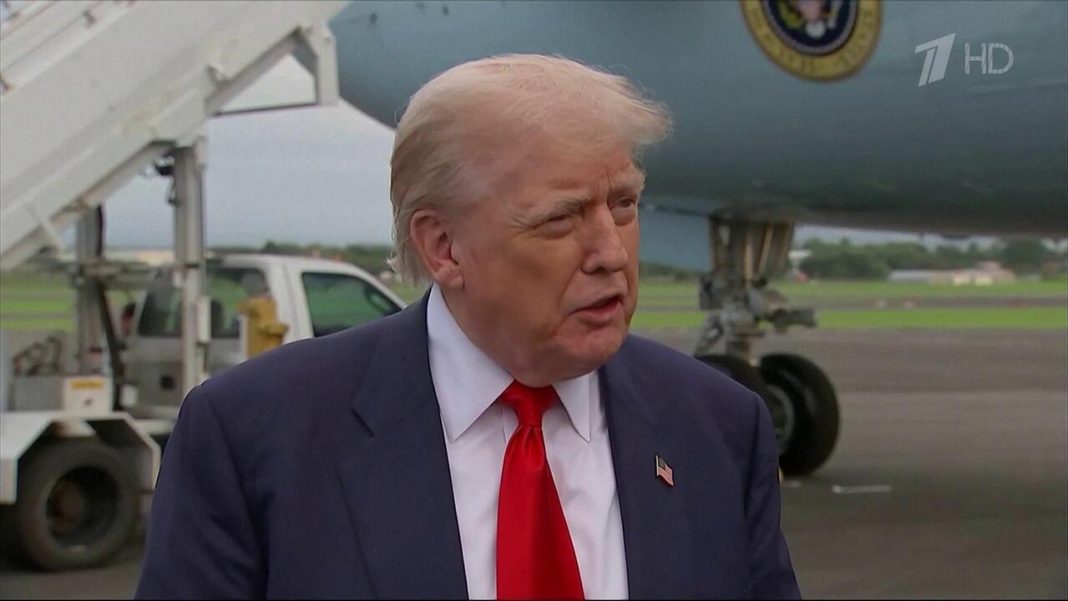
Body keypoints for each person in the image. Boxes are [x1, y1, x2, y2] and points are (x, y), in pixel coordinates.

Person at [136, 54, 800, 600]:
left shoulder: (717, 425)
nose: (610, 250)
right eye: (561, 218)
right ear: (444, 248)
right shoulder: (254, 434)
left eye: (623, 204)